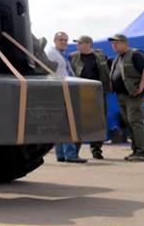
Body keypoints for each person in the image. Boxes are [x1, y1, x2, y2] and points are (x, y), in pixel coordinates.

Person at [109, 33, 144, 162]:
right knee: (129, 123)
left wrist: (141, 86)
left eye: (117, 42)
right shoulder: (118, 58)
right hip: (121, 95)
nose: (114, 45)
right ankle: (136, 150)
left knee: (135, 121)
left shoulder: (135, 54)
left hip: (133, 95)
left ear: (125, 43)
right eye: (113, 43)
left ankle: (142, 151)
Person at [46, 32, 87, 163]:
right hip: (61, 90)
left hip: (63, 89)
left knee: (61, 123)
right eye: (61, 40)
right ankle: (70, 154)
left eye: (65, 40)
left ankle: (61, 154)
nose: (63, 42)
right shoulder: (51, 53)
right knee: (68, 123)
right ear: (54, 40)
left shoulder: (61, 54)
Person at [70, 36, 112, 159]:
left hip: (97, 91)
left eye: (80, 43)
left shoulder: (100, 56)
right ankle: (74, 150)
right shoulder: (72, 57)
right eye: (77, 43)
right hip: (79, 91)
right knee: (78, 121)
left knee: (98, 121)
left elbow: (108, 70)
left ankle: (96, 149)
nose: (78, 45)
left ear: (89, 44)